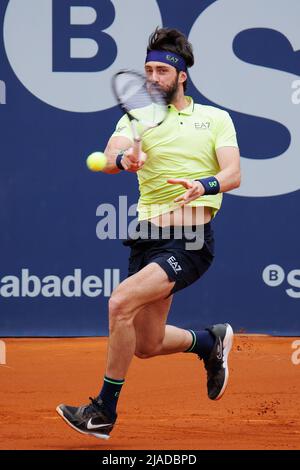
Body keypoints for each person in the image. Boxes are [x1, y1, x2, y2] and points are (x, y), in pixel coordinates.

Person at [56, 27, 241, 440]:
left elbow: (233, 174)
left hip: (191, 240)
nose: (153, 78)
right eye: (148, 70)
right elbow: (106, 158)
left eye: (161, 70)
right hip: (146, 237)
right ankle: (207, 343)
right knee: (148, 343)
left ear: (181, 76)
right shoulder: (135, 117)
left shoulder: (215, 119)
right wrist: (125, 159)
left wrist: (204, 185)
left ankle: (102, 411)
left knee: (120, 303)